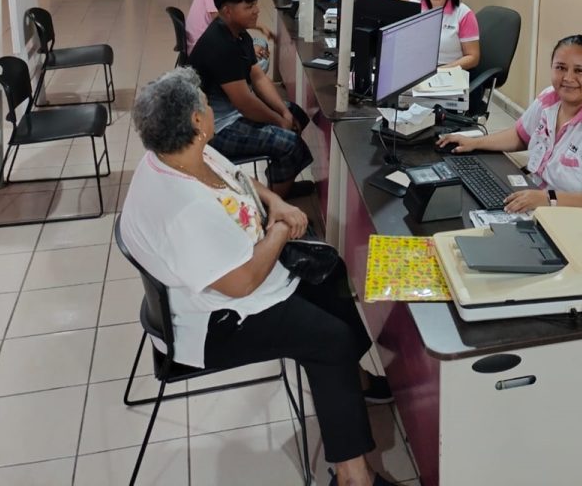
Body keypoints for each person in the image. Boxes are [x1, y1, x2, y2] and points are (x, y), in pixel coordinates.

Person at [120, 68, 396, 486]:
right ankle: (352, 476)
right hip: (215, 323)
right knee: (330, 339)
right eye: (207, 103)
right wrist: (280, 229)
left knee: (329, 270)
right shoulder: (186, 209)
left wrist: (276, 203)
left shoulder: (182, 153)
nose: (212, 107)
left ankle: (349, 379)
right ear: (196, 120)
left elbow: (238, 179)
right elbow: (243, 283)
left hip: (229, 279)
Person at [436, 34, 582, 238]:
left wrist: (548, 199)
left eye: (579, 70)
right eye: (561, 68)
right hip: (549, 207)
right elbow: (520, 135)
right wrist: (474, 142)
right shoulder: (551, 98)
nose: (568, 78)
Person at [190, 0, 313, 199]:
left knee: (296, 115)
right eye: (249, 7)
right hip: (216, 128)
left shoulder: (239, 34)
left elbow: (258, 77)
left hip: (232, 113)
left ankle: (279, 184)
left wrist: (284, 113)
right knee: (290, 144)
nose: (256, 11)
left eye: (255, 4)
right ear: (227, 11)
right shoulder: (219, 45)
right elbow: (245, 103)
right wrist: (278, 121)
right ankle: (271, 205)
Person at [420, 0, 480, 70]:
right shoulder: (411, 6)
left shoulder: (463, 14)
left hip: (447, 70)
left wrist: (442, 70)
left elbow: (473, 57)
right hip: (413, 70)